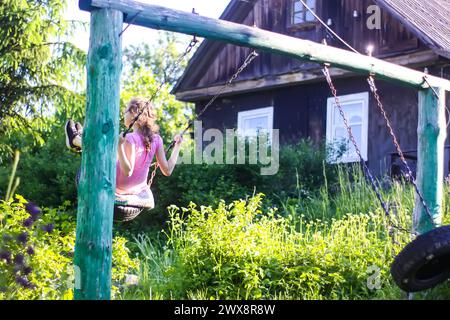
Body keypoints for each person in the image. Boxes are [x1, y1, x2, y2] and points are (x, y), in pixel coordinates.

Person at [65, 97, 183, 208]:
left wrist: (120, 146)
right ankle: (80, 139)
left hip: (118, 185)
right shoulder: (157, 139)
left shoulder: (130, 138)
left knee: (106, 149)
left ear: (134, 114)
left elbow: (128, 171)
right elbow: (167, 170)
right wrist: (177, 146)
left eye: (126, 110)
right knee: (110, 148)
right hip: (135, 189)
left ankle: (76, 140)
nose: (124, 113)